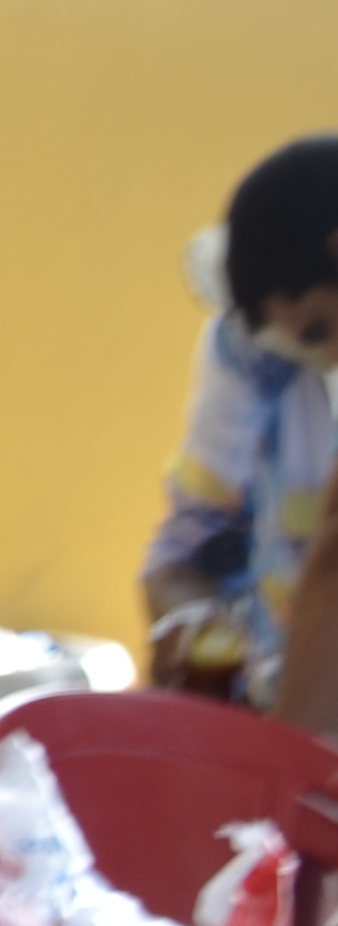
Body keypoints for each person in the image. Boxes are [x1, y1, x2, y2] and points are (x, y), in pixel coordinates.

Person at [141, 134, 338, 718]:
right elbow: (189, 551)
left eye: (317, 330)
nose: (325, 360)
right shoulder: (256, 363)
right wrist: (188, 620)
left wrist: (288, 770)